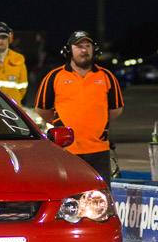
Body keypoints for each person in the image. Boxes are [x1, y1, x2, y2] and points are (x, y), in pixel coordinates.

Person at [35, 30, 124, 185]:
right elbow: (41, 109)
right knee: (70, 195)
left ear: (94, 50)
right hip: (66, 151)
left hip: (99, 151)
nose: (84, 50)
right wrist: (61, 125)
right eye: (79, 47)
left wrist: (98, 122)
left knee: (100, 195)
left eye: (87, 46)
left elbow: (116, 109)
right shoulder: (54, 77)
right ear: (69, 50)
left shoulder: (106, 77)